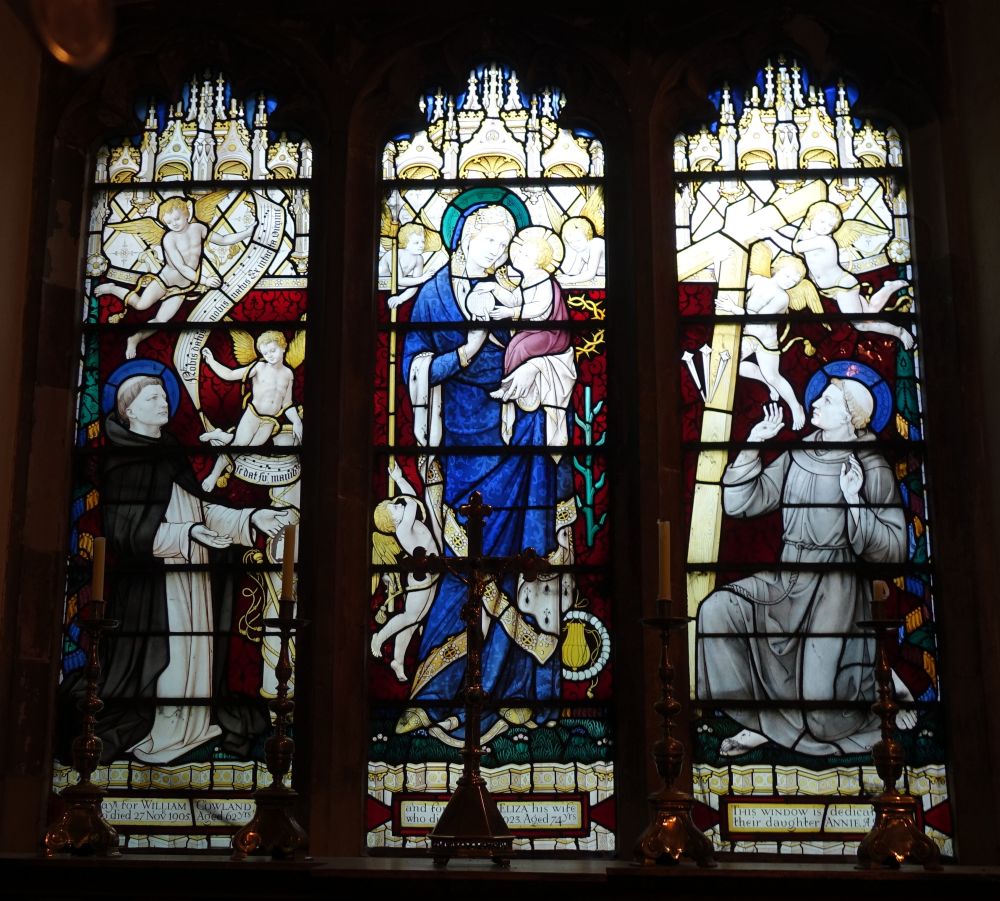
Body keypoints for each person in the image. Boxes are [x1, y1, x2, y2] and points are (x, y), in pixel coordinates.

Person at [397, 198, 577, 747]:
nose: (500, 253)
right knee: (461, 569)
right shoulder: (433, 296)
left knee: (525, 562)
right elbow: (415, 366)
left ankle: (520, 694)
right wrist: (466, 350)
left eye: (506, 244)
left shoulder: (525, 288)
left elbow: (557, 345)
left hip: (522, 437)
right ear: (463, 238)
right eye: (492, 242)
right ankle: (435, 695)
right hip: (463, 443)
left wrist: (538, 370)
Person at [67, 374, 291, 764]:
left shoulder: (170, 450)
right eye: (153, 399)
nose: (164, 404)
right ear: (129, 410)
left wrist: (252, 518)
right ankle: (162, 730)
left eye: (164, 397)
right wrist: (188, 533)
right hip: (153, 585)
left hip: (192, 572)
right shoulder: (122, 461)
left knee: (196, 651)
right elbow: (124, 534)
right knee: (169, 654)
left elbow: (200, 508)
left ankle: (196, 724)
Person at [696, 378, 911, 757]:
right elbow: (742, 503)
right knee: (717, 611)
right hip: (788, 577)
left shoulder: (870, 466)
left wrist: (854, 500)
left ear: (850, 417)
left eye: (827, 400)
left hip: (837, 589)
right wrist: (754, 444)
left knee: (821, 713)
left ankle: (877, 693)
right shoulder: (799, 454)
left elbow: (894, 549)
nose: (815, 403)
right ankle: (762, 722)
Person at [97, 196, 255, 358]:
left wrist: (247, 233)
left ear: (187, 213)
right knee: (140, 305)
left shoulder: (199, 228)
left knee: (161, 320)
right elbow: (181, 267)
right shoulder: (169, 238)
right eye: (169, 222)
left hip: (183, 288)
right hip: (165, 280)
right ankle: (112, 288)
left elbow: (223, 240)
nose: (174, 224)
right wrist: (205, 280)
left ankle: (135, 338)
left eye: (177, 218)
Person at [767, 201, 913, 349]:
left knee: (861, 324)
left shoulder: (825, 241)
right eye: (822, 221)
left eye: (830, 225)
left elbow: (793, 246)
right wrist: (774, 225)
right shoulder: (807, 234)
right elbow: (793, 232)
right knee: (869, 312)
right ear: (811, 218)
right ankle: (889, 287)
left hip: (842, 285)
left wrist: (771, 234)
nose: (825, 226)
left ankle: (899, 332)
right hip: (832, 289)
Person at [715, 253, 816, 430]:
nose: (790, 282)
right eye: (788, 275)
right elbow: (731, 286)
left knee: (773, 376)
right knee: (731, 365)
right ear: (778, 269)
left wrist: (733, 309)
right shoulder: (757, 281)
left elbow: (759, 318)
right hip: (748, 335)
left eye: (795, 281)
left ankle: (796, 407)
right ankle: (768, 384)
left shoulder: (783, 297)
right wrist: (718, 261)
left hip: (766, 341)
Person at [199, 331, 303, 492]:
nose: (269, 355)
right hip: (252, 414)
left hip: (270, 421)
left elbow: (287, 403)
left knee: (248, 448)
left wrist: (296, 421)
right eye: (265, 353)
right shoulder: (259, 367)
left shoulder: (288, 374)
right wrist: (211, 361)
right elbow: (230, 374)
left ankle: (219, 435)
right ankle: (213, 476)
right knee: (237, 446)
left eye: (273, 350)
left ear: (283, 347)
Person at [370, 460, 443, 682]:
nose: (397, 504)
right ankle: (378, 637)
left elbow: (410, 500)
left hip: (433, 573)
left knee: (415, 620)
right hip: (421, 578)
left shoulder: (406, 522)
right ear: (391, 521)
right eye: (393, 507)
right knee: (409, 616)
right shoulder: (402, 530)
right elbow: (411, 502)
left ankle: (397, 660)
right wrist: (401, 486)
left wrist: (399, 478)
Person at [379, 222, 448, 310]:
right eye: (416, 243)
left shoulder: (418, 259)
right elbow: (399, 281)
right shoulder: (393, 254)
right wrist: (422, 278)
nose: (421, 245)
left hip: (398, 290)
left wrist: (400, 298)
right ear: (405, 243)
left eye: (422, 241)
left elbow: (415, 284)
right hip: (381, 290)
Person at [558, 216, 605, 286]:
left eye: (578, 240)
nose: (574, 245)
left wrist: (569, 280)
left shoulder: (596, 244)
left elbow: (591, 273)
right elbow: (575, 272)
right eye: (570, 242)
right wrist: (561, 275)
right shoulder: (581, 249)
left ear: (587, 234)